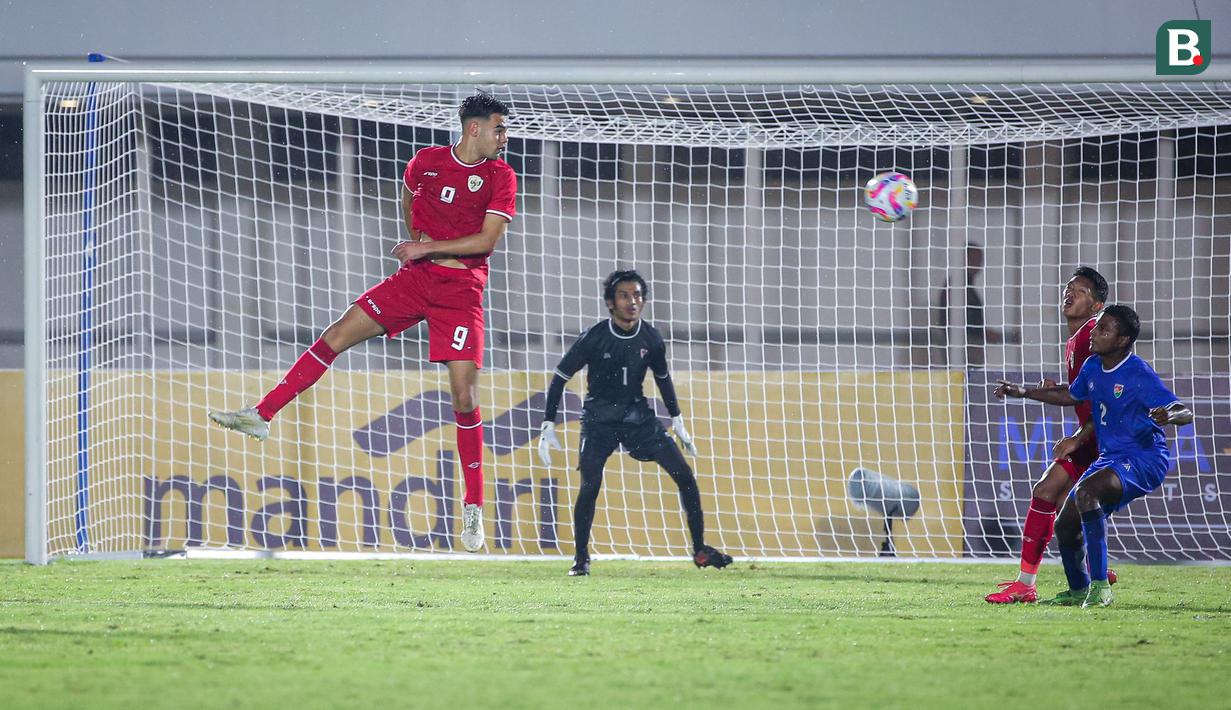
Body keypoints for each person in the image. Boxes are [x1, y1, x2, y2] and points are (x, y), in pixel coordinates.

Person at [208, 93, 517, 553]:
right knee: (334, 336)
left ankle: (473, 506)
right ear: (474, 129)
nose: (504, 138)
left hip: (460, 292)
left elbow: (488, 239)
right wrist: (416, 238)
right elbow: (409, 192)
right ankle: (261, 414)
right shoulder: (427, 162)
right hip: (414, 282)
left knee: (465, 395)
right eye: (499, 129)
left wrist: (424, 247)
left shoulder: (500, 175)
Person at [993, 305, 1194, 607]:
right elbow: (1070, 395)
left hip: (1144, 458)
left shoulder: (1137, 373)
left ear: (1123, 339)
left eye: (1103, 329)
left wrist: (1171, 415)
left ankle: (1100, 588)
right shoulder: (1092, 367)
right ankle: (1077, 590)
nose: (1095, 334)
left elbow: (1184, 411)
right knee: (1065, 525)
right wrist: (1023, 392)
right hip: (1111, 457)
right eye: (1097, 327)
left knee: (1087, 494)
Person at [537, 270, 733, 576]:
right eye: (625, 295)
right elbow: (560, 378)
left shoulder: (651, 338)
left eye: (638, 295)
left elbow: (663, 379)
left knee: (684, 475)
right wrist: (548, 423)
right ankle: (580, 559)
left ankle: (699, 550)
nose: (633, 301)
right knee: (590, 486)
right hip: (598, 421)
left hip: (638, 420)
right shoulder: (594, 337)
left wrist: (677, 419)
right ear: (610, 303)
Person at [986, 266, 1116, 603]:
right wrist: (1049, 389)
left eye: (1082, 291)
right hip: (1096, 434)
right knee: (1055, 498)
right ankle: (1078, 572)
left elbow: (1101, 399)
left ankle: (1035, 582)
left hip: (1109, 438)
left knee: (1051, 493)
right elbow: (1081, 392)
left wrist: (1078, 436)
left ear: (1097, 306)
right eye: (1069, 287)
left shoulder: (1092, 337)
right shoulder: (1077, 337)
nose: (1070, 293)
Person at [936, 242, 1003, 367]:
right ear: (964, 259)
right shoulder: (957, 286)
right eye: (974, 259)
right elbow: (959, 322)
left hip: (967, 349)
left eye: (979, 259)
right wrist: (985, 334)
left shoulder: (963, 285)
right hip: (962, 349)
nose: (978, 263)